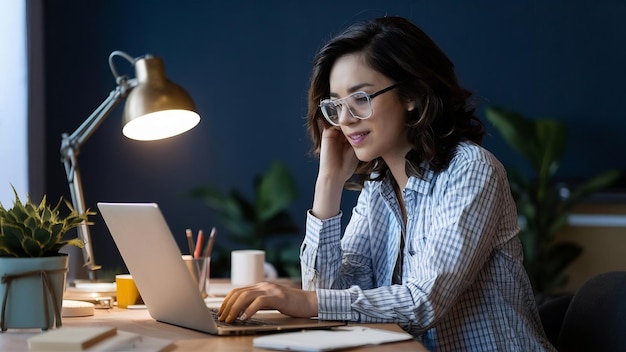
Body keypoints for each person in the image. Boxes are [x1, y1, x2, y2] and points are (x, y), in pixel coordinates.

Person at [218, 16, 555, 351]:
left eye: (361, 98)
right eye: (336, 105)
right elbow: (328, 291)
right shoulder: (378, 188)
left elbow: (424, 303)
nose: (346, 119)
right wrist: (329, 183)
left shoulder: (470, 169)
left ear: (411, 94)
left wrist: (305, 301)